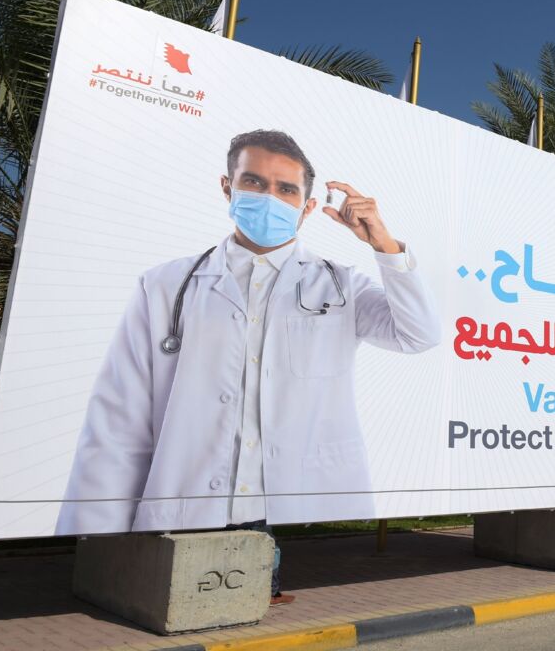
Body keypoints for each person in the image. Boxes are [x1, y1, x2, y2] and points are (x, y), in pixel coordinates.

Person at [57, 130, 441, 602]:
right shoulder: (165, 286)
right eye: (254, 182)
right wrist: (102, 539)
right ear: (227, 187)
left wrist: (383, 244)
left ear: (306, 207)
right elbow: (117, 421)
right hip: (189, 495)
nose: (268, 198)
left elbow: (418, 334)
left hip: (290, 500)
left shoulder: (341, 286)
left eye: (286, 190)